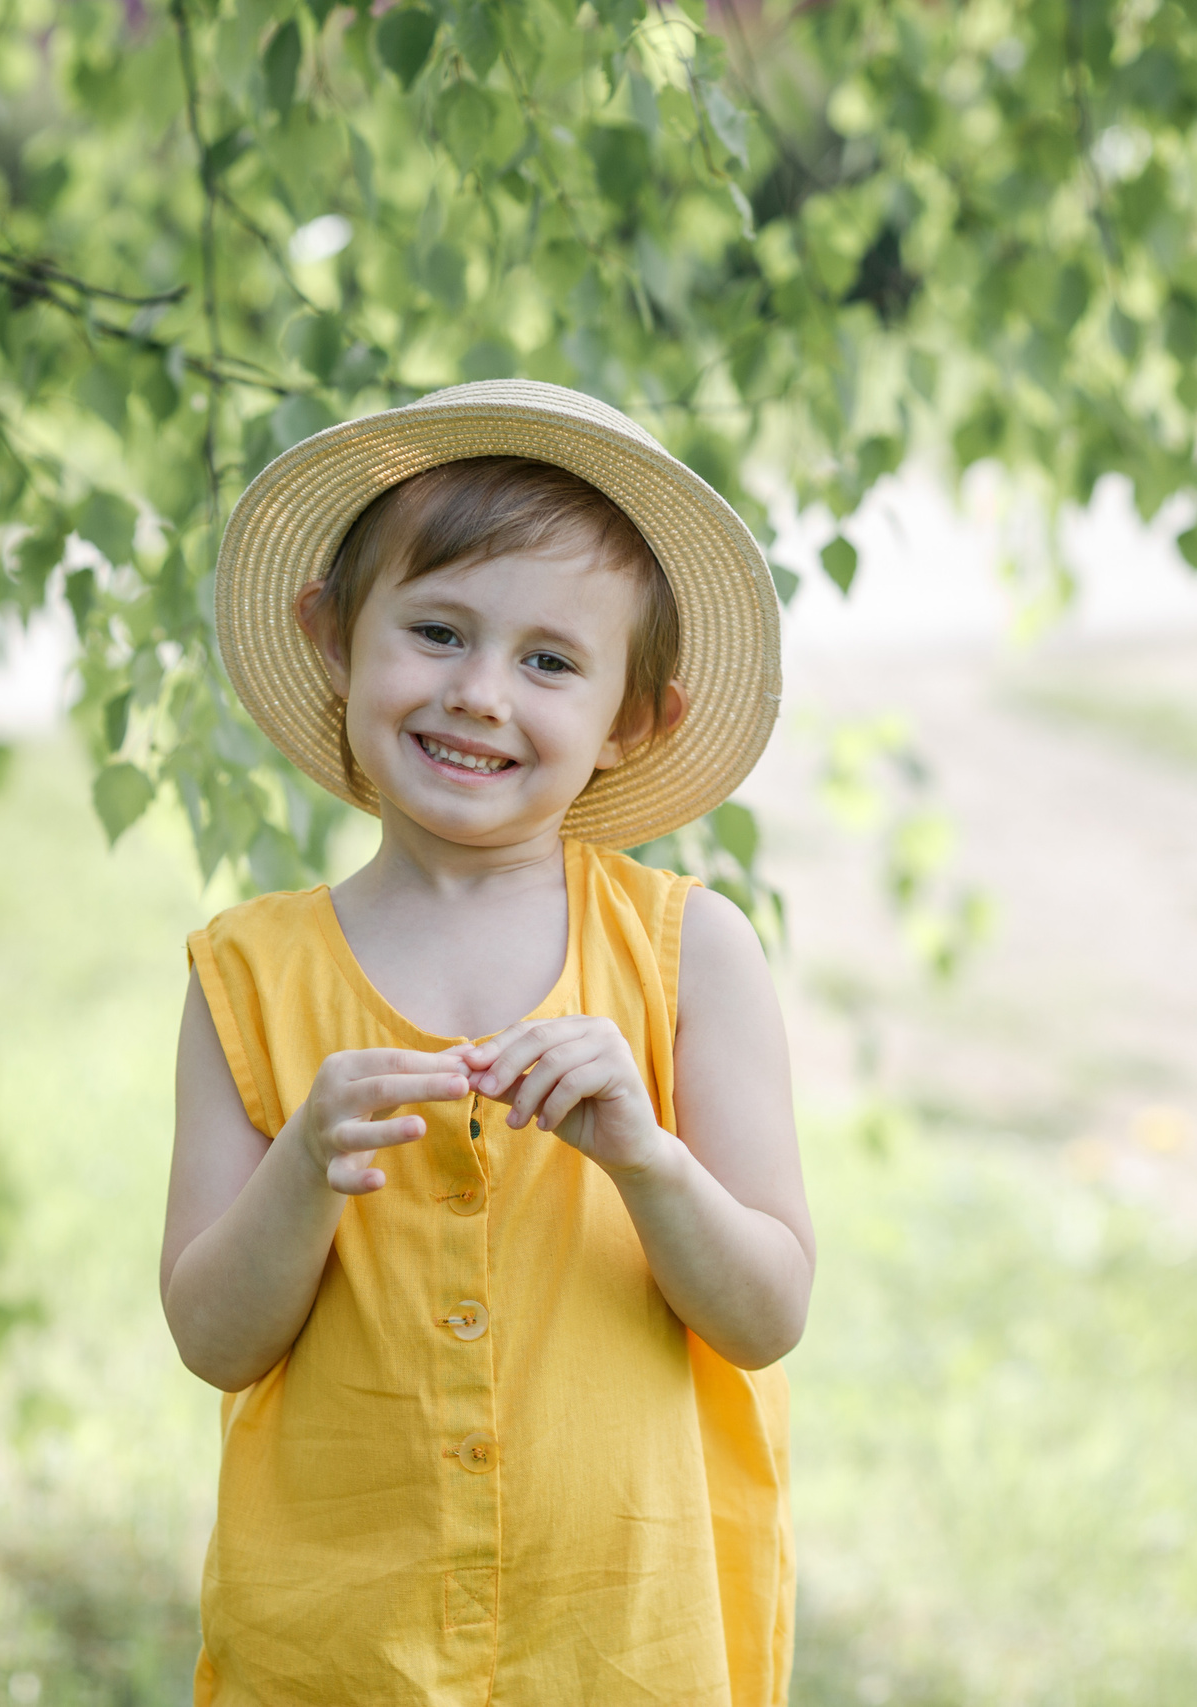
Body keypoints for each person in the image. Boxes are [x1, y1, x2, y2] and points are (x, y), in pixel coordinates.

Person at [161, 381, 811, 1706]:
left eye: (550, 662)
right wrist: (299, 1170)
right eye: (439, 632)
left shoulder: (690, 956)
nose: (478, 695)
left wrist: (648, 1161)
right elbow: (214, 1339)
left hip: (620, 1651)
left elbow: (767, 1312)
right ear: (334, 635)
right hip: (339, 1651)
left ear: (637, 718)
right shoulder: (251, 973)